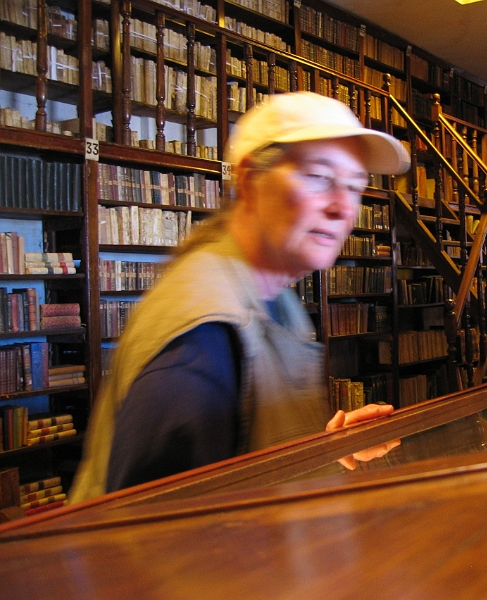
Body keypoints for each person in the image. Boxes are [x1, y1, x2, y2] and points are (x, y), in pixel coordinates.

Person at [70, 92, 410, 503]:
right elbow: (152, 532)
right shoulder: (202, 343)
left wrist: (330, 453)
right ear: (249, 180)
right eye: (319, 177)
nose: (343, 208)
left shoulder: (275, 297)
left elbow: (249, 466)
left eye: (355, 187)